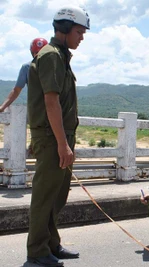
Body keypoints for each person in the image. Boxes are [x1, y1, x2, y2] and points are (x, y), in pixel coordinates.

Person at [26, 6, 90, 267]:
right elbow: (50, 102)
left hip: (60, 137)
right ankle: (37, 251)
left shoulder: (61, 56)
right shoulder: (51, 55)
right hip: (54, 138)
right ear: (63, 29)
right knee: (45, 197)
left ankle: (51, 244)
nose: (82, 37)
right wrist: (62, 144)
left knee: (57, 195)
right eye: (79, 31)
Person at [0, 38, 48, 112]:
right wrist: (2, 107)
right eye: (36, 52)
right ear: (32, 53)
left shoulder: (54, 67)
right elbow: (16, 90)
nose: (39, 55)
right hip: (36, 109)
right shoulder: (27, 68)